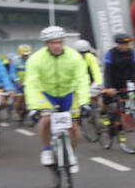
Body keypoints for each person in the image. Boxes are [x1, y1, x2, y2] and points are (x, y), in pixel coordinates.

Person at [24, 27, 89, 170]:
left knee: (74, 129)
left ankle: (71, 154)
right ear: (46, 44)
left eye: (60, 42)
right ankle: (46, 150)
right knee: (46, 120)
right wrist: (33, 107)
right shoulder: (36, 59)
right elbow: (31, 84)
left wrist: (84, 102)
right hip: (46, 94)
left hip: (68, 94)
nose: (57, 45)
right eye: (53, 42)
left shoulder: (74, 57)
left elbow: (82, 80)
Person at [100, 33, 135, 124]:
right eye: (124, 45)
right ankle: (103, 114)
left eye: (127, 44)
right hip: (111, 81)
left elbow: (134, 69)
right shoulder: (110, 53)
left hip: (123, 81)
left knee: (121, 106)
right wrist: (109, 87)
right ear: (118, 44)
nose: (126, 46)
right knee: (106, 99)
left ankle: (120, 130)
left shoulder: (131, 53)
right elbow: (107, 72)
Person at [9, 44, 32, 120]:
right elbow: (12, 73)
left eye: (27, 54)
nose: (26, 56)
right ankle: (16, 113)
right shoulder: (15, 61)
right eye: (24, 55)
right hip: (18, 83)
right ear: (20, 53)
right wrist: (18, 81)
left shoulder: (32, 60)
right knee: (19, 98)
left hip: (28, 83)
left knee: (29, 99)